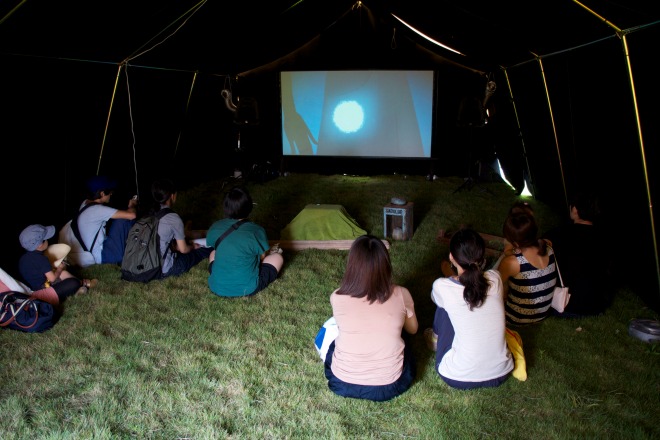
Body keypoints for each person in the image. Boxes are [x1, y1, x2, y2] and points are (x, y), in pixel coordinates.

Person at [324, 235, 418, 402]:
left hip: (341, 382)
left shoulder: (336, 296)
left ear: (352, 265)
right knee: (405, 342)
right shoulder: (402, 294)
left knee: (335, 342)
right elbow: (413, 329)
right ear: (385, 265)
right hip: (388, 387)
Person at [425, 228, 513, 390]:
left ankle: (434, 340)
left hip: (457, 376)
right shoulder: (495, 278)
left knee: (444, 308)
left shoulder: (442, 286)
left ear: (452, 256)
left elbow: (442, 296)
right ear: (482, 256)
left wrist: (448, 274)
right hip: (501, 372)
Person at [543, 191, 613, 317]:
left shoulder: (557, 234)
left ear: (574, 209)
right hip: (597, 305)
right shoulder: (606, 238)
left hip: (564, 304)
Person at [206, 186, 283, 297]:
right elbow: (262, 257)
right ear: (249, 206)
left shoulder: (215, 227)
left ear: (226, 207)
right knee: (277, 258)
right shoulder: (257, 230)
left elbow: (218, 249)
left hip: (216, 286)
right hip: (247, 287)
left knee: (213, 253)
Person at [497, 201, 557, 325]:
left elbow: (495, 288)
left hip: (517, 317)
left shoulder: (513, 262)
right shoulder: (548, 248)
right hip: (542, 313)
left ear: (515, 242)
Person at [60, 175, 138, 267]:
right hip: (102, 256)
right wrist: (132, 205)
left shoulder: (85, 203)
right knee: (122, 221)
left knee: (117, 221)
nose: (111, 194)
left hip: (91, 251)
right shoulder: (97, 210)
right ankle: (134, 252)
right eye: (109, 192)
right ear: (102, 193)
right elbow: (132, 215)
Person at [17, 224, 97, 303]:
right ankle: (81, 285)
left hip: (35, 288)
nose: (48, 240)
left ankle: (82, 284)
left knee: (63, 273)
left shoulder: (22, 259)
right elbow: (52, 279)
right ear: (40, 245)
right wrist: (60, 268)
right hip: (45, 290)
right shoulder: (42, 259)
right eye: (46, 239)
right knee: (72, 282)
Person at [150, 179, 213, 279]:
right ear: (172, 196)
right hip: (166, 270)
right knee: (201, 251)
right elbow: (184, 250)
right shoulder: (173, 218)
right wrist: (193, 247)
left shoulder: (150, 215)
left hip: (150, 266)